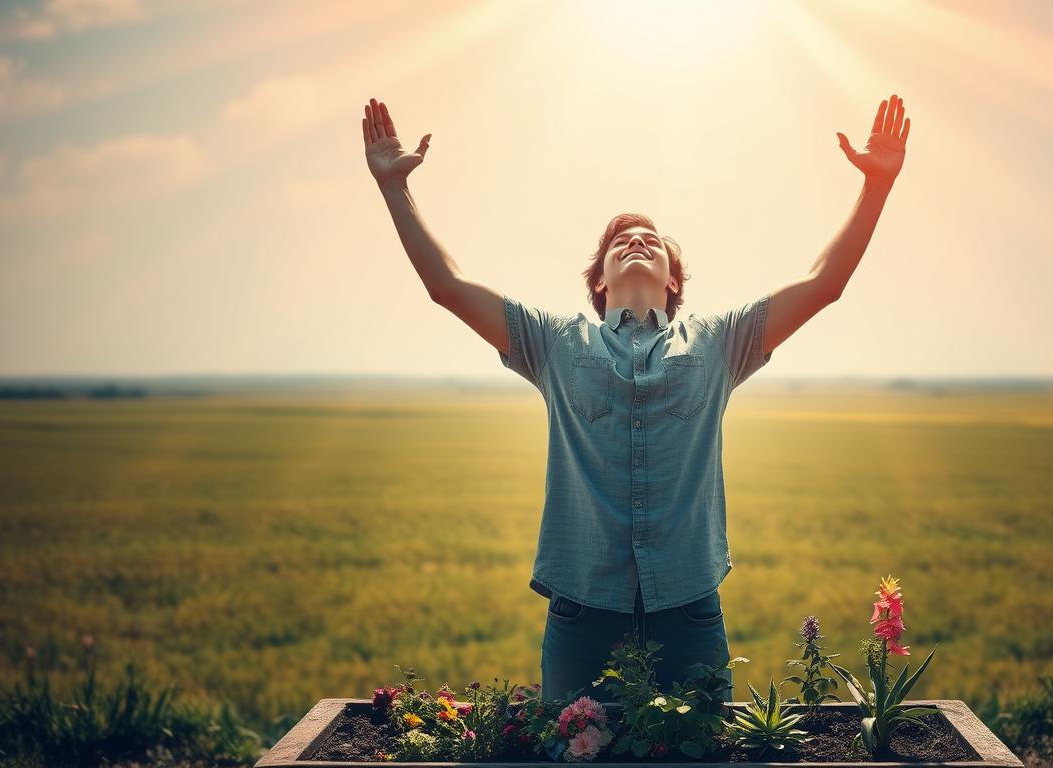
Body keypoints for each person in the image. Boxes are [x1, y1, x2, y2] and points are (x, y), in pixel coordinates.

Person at [360, 95, 911, 703]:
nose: (636, 242)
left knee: (702, 752)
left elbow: (824, 283)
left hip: (690, 609)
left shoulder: (721, 342)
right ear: (599, 280)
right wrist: (394, 188)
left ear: (673, 278)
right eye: (620, 242)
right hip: (582, 611)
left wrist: (876, 187)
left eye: (651, 240)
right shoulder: (553, 342)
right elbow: (447, 285)